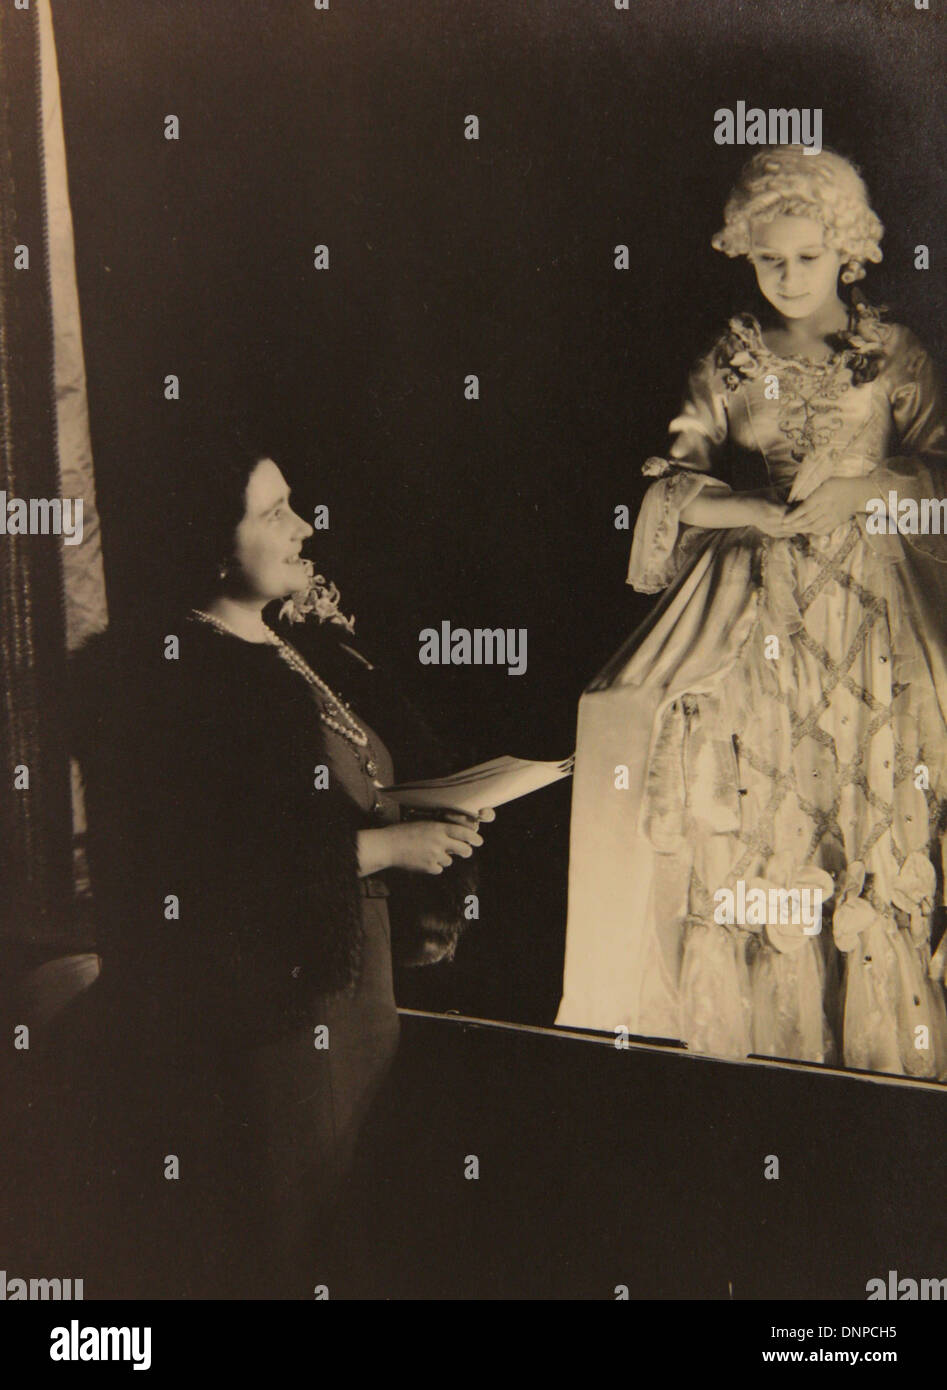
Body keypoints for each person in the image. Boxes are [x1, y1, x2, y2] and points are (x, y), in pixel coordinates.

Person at [43, 440, 494, 1298]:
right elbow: (198, 873)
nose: (300, 526)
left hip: (352, 986)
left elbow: (341, 794)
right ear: (214, 539)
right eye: (271, 511)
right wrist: (388, 849)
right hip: (274, 1010)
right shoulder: (168, 679)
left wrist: (439, 810)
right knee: (289, 1246)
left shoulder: (297, 649)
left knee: (348, 1231)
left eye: (294, 503)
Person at [557, 147, 947, 1081]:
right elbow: (673, 481)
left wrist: (864, 488)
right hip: (758, 608)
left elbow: (939, 475)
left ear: (846, 252)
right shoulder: (728, 361)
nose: (785, 277)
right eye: (767, 259)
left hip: (871, 610)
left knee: (869, 812)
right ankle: (762, 1072)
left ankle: (887, 1075)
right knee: (753, 812)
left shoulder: (893, 353)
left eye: (806, 258)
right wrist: (751, 508)